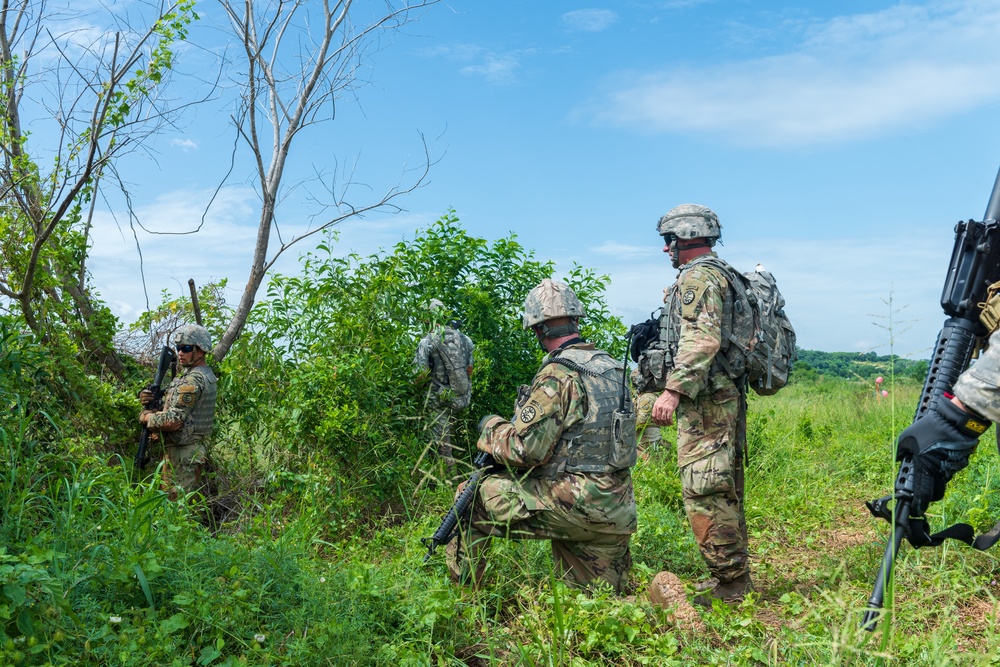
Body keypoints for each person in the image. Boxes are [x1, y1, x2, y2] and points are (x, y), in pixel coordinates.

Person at [446, 279, 637, 593]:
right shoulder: (614, 368)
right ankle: (662, 604)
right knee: (596, 609)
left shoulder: (557, 374)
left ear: (537, 329)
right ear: (576, 319)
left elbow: (527, 452)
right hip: (617, 510)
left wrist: (492, 427)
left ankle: (464, 601)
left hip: (575, 507)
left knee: (469, 498)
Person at [635, 203, 753, 605]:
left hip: (707, 400)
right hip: (719, 396)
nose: (666, 249)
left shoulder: (699, 278)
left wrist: (673, 391)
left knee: (705, 488)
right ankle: (732, 577)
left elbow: (702, 339)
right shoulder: (714, 274)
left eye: (669, 240)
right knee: (721, 486)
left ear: (683, 238)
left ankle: (732, 584)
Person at [139, 324, 218, 501]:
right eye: (178, 348)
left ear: (200, 351)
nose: (180, 353)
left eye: (186, 348)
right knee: (176, 507)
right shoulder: (197, 375)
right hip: (184, 452)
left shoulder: (193, 379)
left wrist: (146, 417)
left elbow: (173, 421)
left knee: (175, 509)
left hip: (183, 455)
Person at [414, 299, 475, 474]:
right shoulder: (466, 340)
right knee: (451, 441)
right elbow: (469, 369)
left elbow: (420, 375)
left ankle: (450, 488)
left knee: (442, 449)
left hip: (437, 401)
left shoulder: (427, 342)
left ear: (428, 319)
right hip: (460, 398)